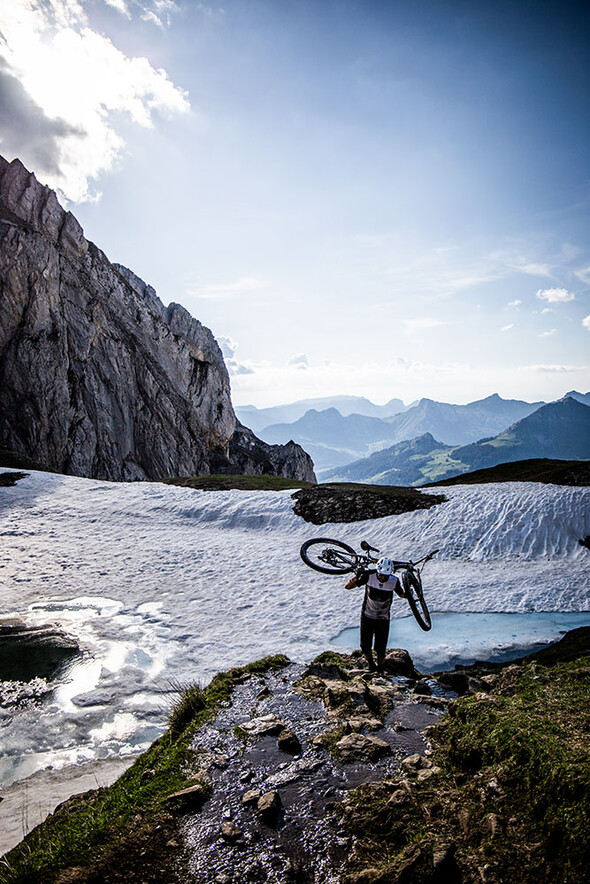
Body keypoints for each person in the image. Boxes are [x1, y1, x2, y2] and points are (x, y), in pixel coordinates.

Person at [345, 556, 405, 673]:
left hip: (383, 618)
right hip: (367, 616)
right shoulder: (369, 576)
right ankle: (371, 664)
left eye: (385, 576)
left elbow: (401, 593)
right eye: (381, 575)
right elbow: (347, 586)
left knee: (381, 649)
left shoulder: (394, 581)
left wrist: (409, 594)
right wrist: (357, 577)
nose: (383, 578)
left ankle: (381, 669)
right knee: (365, 646)